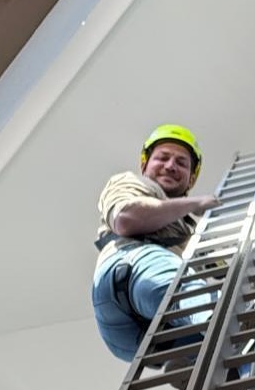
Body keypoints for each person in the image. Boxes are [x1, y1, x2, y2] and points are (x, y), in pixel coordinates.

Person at [91, 124, 218, 362]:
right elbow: (127, 219)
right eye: (162, 158)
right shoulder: (133, 184)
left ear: (191, 178)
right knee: (193, 290)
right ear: (144, 165)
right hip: (130, 269)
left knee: (216, 357)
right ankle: (218, 321)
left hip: (145, 341)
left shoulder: (194, 229)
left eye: (181, 163)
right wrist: (195, 204)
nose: (170, 166)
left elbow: (222, 266)